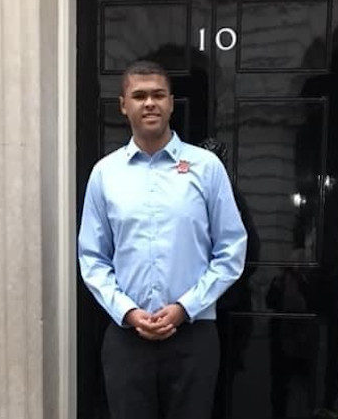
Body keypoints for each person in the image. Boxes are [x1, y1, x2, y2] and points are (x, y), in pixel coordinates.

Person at [77, 60, 248, 419]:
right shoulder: (105, 174)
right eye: (139, 96)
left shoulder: (206, 168)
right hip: (127, 338)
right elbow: (92, 257)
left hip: (193, 334)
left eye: (158, 94)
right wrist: (128, 311)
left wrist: (186, 307)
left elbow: (231, 247)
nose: (149, 103)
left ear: (171, 102)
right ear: (124, 105)